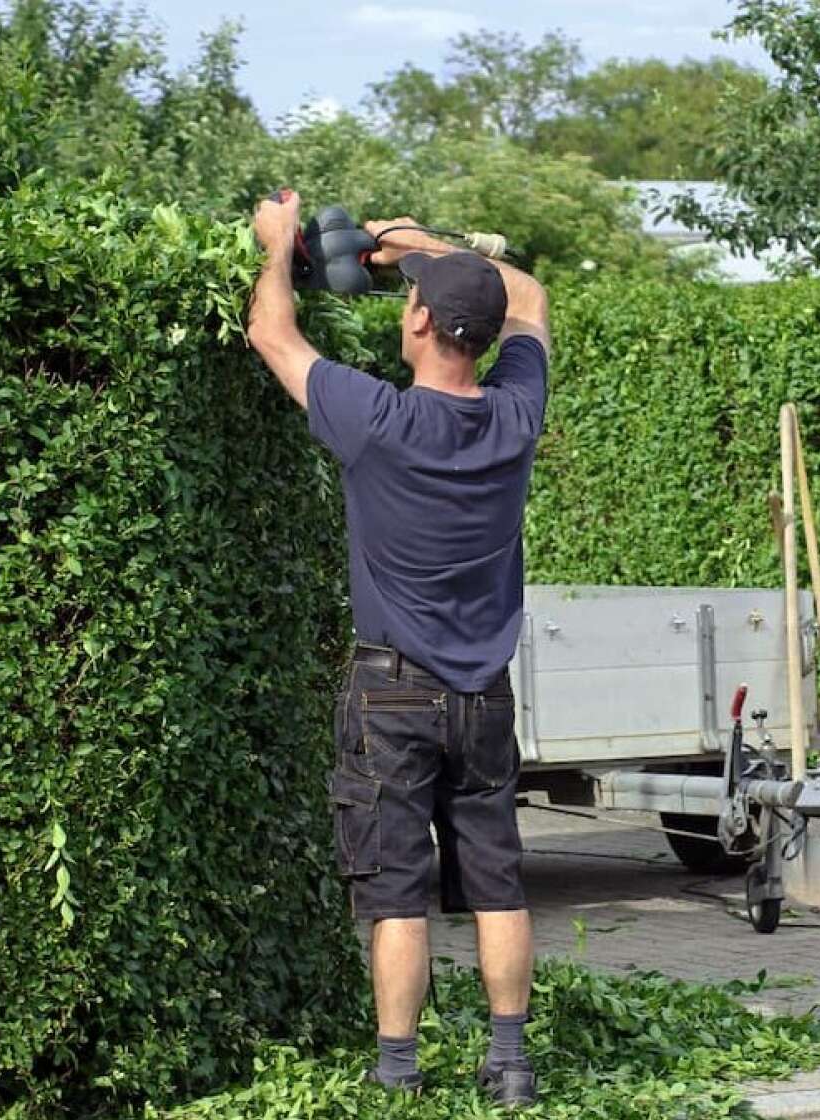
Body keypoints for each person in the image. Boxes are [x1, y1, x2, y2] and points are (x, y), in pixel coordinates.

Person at [245, 190, 548, 1107]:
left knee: (395, 894)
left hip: (392, 695)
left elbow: (271, 331)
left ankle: (398, 1073)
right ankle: (510, 1065)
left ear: (416, 324)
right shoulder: (514, 416)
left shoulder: (373, 418)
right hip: (484, 693)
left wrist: (274, 246)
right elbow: (527, 296)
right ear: (483, 340)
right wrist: (417, 248)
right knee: (497, 881)